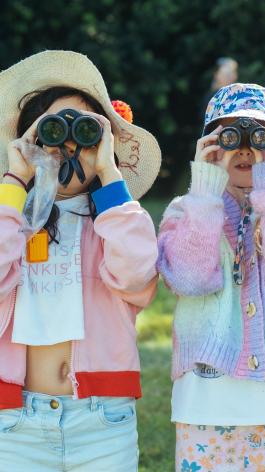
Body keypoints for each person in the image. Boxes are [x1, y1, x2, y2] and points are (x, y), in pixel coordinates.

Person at [157, 83, 265, 471]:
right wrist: (205, 190)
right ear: (210, 146)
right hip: (203, 401)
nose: (244, 149)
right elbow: (187, 280)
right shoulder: (185, 211)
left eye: (259, 138)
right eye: (229, 136)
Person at [0, 50, 161, 470]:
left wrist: (109, 174)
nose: (69, 144)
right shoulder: (13, 221)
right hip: (14, 424)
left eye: (85, 131)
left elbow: (137, 275)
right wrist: (16, 179)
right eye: (53, 130)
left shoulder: (111, 222)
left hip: (102, 420)